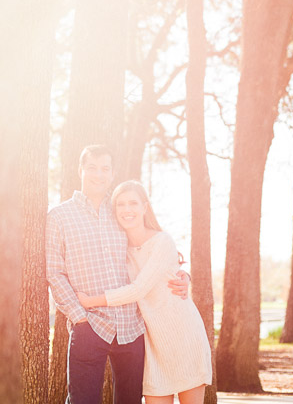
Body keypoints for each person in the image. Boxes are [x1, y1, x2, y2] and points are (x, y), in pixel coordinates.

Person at [46, 145, 189, 404]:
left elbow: (149, 250)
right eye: (92, 168)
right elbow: (54, 273)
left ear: (112, 173)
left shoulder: (121, 212)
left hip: (131, 328)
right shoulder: (59, 216)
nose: (98, 174)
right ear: (80, 170)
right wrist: (79, 318)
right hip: (89, 325)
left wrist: (182, 275)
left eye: (105, 169)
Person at [77, 180, 212, 404]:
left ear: (144, 207)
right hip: (152, 345)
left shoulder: (162, 241)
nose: (127, 209)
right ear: (114, 210)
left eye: (133, 203)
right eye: (121, 204)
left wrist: (92, 301)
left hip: (183, 335)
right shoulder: (120, 248)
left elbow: (138, 289)